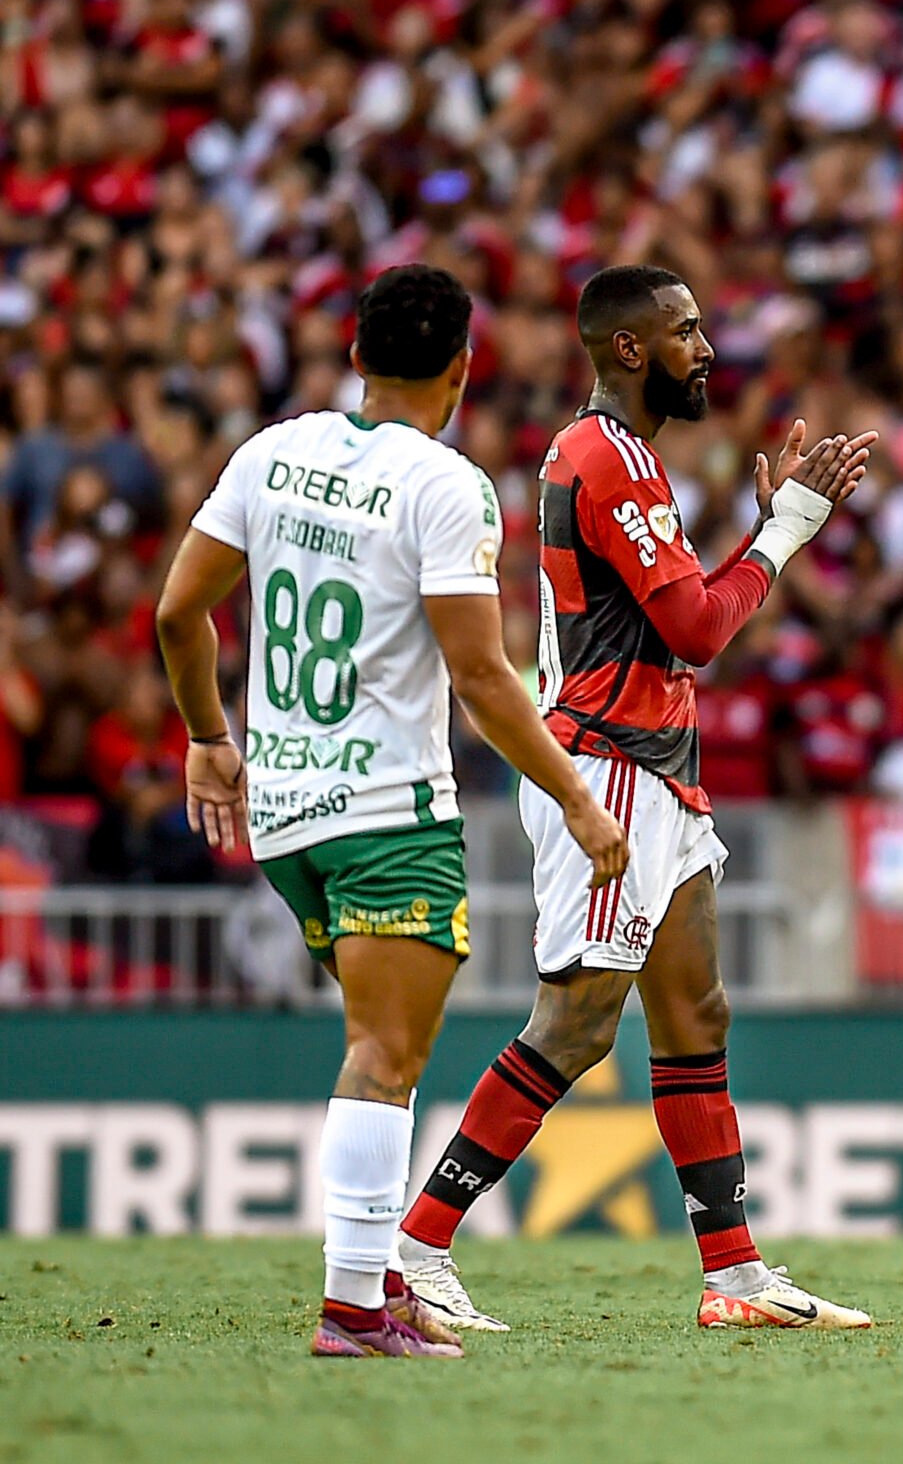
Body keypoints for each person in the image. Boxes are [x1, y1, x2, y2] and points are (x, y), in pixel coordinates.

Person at [154, 263, 632, 1359]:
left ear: (354, 352)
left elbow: (181, 611)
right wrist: (575, 795)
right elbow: (481, 675)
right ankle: (355, 1307)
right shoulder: (446, 484)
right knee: (382, 1055)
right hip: (385, 814)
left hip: (283, 811)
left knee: (374, 1045)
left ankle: (371, 1289)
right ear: (463, 369)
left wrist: (207, 738)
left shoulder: (270, 453)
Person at [393, 264, 876, 1333]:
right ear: (628, 347)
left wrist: (765, 528)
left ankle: (736, 1276)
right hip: (605, 765)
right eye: (687, 332)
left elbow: (681, 612)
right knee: (574, 1024)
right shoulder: (602, 458)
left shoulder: (628, 458)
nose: (707, 350)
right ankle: (414, 1248)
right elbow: (698, 628)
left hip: (660, 769)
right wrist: (786, 527)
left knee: (696, 1015)